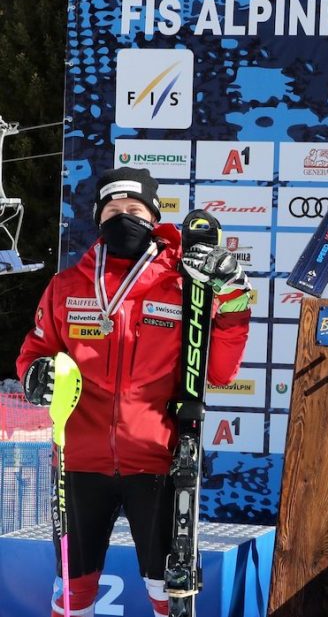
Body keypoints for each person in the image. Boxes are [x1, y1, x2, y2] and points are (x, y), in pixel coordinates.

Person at [16, 166, 252, 617]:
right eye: (113, 209)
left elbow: (219, 371)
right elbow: (37, 350)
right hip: (79, 460)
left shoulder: (184, 284)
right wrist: (35, 375)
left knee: (168, 591)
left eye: (134, 209)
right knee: (73, 586)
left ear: (153, 216)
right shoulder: (68, 285)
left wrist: (235, 297)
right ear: (98, 217)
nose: (123, 216)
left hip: (158, 458)